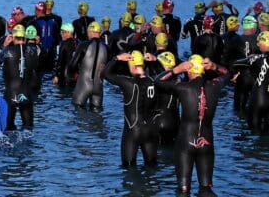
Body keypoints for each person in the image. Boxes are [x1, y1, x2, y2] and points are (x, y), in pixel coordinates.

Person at [154, 55, 230, 195]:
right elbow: (228, 74)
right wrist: (214, 66)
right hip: (206, 143)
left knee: (183, 190)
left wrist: (176, 70)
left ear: (189, 71)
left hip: (185, 143)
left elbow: (158, 81)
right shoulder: (215, 85)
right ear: (203, 70)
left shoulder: (183, 87)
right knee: (206, 188)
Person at [102, 51, 158, 167]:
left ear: (131, 65)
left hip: (133, 131)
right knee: (151, 166)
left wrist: (116, 58)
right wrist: (155, 60)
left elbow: (105, 74)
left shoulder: (128, 83)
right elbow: (166, 75)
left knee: (128, 167)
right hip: (150, 131)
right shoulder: (154, 82)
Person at [0, 25, 39, 128]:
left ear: (13, 37)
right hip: (27, 94)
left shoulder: (7, 51)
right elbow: (37, 65)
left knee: (8, 129)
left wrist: (4, 46)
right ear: (25, 38)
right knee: (28, 128)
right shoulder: (34, 51)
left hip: (11, 95)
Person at [231, 31, 269, 132]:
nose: (258, 45)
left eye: (259, 43)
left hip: (257, 99)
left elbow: (235, 64)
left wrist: (238, 72)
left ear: (265, 43)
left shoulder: (256, 58)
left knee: (254, 132)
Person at [69, 21, 108, 108]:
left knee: (77, 110)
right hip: (99, 87)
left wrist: (72, 75)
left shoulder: (84, 45)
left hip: (84, 84)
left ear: (90, 31)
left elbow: (72, 65)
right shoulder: (106, 47)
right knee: (97, 113)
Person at [53, 23, 78, 87]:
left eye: (63, 32)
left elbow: (60, 61)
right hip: (76, 77)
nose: (61, 34)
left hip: (64, 76)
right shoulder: (78, 43)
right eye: (61, 32)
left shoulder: (64, 44)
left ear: (69, 33)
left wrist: (56, 75)